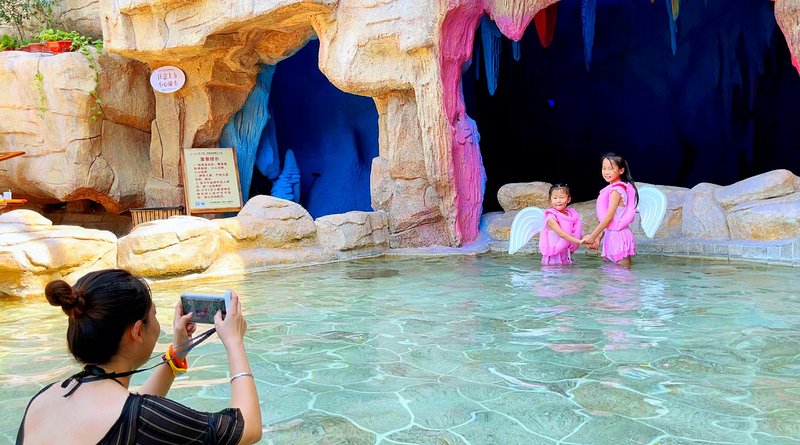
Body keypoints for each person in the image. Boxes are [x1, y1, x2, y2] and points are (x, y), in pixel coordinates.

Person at [16, 269, 262, 445]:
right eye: (153, 315)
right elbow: (248, 429)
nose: (157, 322)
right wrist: (234, 343)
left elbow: (129, 410)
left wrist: (179, 351)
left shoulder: (44, 397)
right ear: (137, 331)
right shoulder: (140, 416)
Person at [581, 152, 639, 266]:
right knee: (613, 274)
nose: (606, 172)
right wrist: (599, 237)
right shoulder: (614, 188)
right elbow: (610, 219)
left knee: (621, 274)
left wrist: (593, 236)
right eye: (604, 168)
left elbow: (609, 217)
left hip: (618, 236)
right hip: (612, 235)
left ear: (621, 170)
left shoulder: (616, 191)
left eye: (610, 169)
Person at [539, 183, 583, 265]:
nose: (558, 201)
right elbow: (561, 234)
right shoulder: (551, 217)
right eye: (555, 198)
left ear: (568, 199)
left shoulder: (571, 215)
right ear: (550, 200)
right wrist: (580, 241)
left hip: (566, 255)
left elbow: (575, 232)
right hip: (553, 258)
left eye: (562, 197)